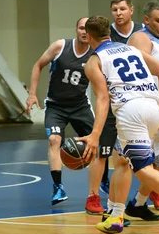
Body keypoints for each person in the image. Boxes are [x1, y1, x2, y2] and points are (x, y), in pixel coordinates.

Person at [77, 15, 159, 234]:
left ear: (90, 37)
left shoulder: (94, 61)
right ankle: (115, 215)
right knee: (122, 160)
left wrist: (94, 135)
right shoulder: (130, 49)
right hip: (151, 107)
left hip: (130, 111)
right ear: (109, 33)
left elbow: (103, 100)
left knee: (141, 168)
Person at [25, 17, 115, 214]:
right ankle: (58, 187)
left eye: (86, 29)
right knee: (54, 139)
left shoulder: (96, 54)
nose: (84, 32)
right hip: (56, 106)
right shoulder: (60, 46)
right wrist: (32, 94)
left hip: (80, 106)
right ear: (76, 30)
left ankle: (104, 180)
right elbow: (38, 65)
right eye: (81, 28)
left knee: (98, 141)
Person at [124, 0, 159, 217]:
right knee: (130, 162)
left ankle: (137, 203)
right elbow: (140, 72)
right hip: (144, 108)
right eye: (158, 20)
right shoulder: (141, 38)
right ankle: (113, 209)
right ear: (146, 19)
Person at [96, 0, 146, 196]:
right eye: (115, 10)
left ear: (131, 10)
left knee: (144, 151)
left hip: (139, 99)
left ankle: (151, 190)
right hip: (113, 99)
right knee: (103, 150)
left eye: (122, 9)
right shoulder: (107, 35)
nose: (119, 13)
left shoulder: (142, 33)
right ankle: (94, 195)